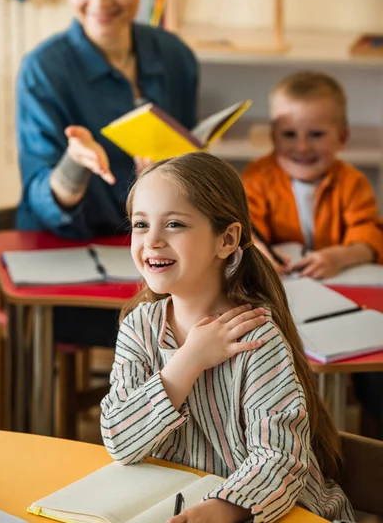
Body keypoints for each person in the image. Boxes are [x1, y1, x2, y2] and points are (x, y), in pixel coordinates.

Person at [100, 152, 354, 523]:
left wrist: (225, 507)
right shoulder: (139, 326)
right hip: (177, 504)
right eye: (140, 225)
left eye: (173, 224)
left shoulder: (255, 337)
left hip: (277, 513)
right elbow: (119, 441)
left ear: (227, 239)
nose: (151, 240)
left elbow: (280, 458)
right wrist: (189, 360)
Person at [15, 0, 198, 346]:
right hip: (66, 256)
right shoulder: (43, 69)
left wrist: (174, 172)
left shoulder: (177, 58)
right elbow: (42, 198)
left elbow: (188, 164)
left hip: (157, 255)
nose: (99, 1)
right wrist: (74, 167)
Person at [242, 71, 383, 280]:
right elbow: (246, 228)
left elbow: (370, 236)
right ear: (273, 136)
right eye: (289, 134)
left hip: (339, 280)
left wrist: (340, 257)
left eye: (316, 134)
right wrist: (259, 253)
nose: (302, 147)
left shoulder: (352, 182)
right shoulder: (256, 178)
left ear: (342, 138)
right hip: (281, 282)